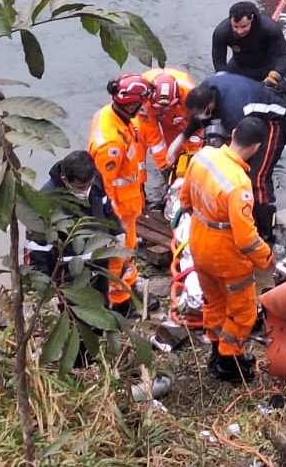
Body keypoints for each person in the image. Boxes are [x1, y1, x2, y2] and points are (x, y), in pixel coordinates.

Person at [179, 116, 275, 383]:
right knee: (243, 312)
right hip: (227, 255)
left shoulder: (203, 156)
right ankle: (228, 361)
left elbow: (185, 200)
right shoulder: (239, 184)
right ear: (256, 147)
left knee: (214, 301)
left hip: (199, 241)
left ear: (233, 133)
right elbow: (246, 239)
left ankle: (215, 347)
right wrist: (266, 258)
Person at [26, 151, 120, 365]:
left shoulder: (94, 180)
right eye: (80, 187)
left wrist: (117, 231)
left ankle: (91, 357)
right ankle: (77, 365)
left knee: (100, 309)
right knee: (76, 322)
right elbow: (36, 248)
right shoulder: (47, 201)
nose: (86, 190)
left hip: (97, 264)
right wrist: (44, 288)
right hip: (69, 274)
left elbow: (106, 207)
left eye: (88, 184)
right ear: (66, 181)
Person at [181, 71, 286, 230]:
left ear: (209, 107)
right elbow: (199, 120)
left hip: (275, 122)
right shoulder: (205, 90)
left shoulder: (234, 111)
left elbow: (238, 149)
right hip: (251, 111)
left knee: (258, 177)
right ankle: (242, 207)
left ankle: (266, 228)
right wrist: (182, 137)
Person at [87, 72, 151, 311]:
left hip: (129, 205)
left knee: (129, 253)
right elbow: (105, 187)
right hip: (119, 212)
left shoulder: (113, 115)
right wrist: (113, 226)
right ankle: (121, 305)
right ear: (131, 103)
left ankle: (129, 290)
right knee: (118, 260)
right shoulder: (110, 145)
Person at [211, 0, 286, 113]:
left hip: (269, 65)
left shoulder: (269, 27)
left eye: (243, 26)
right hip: (240, 66)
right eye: (235, 27)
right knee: (219, 94)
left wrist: (275, 76)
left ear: (251, 18)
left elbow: (284, 55)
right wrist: (227, 81)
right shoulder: (222, 32)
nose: (239, 31)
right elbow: (219, 63)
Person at [136, 68, 201, 186]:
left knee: (185, 145)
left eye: (167, 108)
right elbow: (153, 137)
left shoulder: (189, 93)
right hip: (152, 110)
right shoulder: (144, 103)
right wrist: (164, 166)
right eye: (161, 108)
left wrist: (193, 153)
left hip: (180, 109)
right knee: (139, 141)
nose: (164, 111)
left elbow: (197, 125)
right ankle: (139, 183)